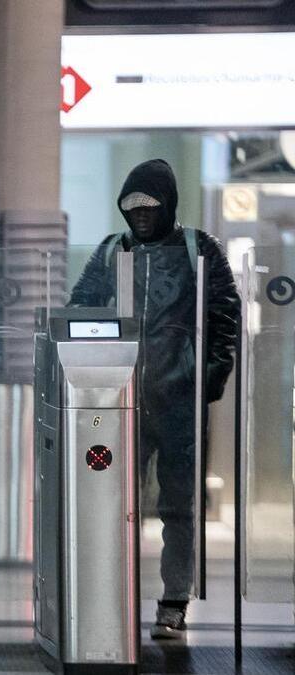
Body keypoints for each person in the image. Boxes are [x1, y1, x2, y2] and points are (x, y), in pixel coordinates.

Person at [68, 159, 240, 640]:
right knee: (111, 498)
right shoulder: (109, 252)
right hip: (119, 396)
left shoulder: (198, 248)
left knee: (179, 504)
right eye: (131, 205)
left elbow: (225, 312)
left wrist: (208, 378)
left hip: (180, 397)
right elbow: (80, 311)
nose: (140, 214)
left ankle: (173, 600)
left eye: (149, 204)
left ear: (168, 204)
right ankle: (108, 591)